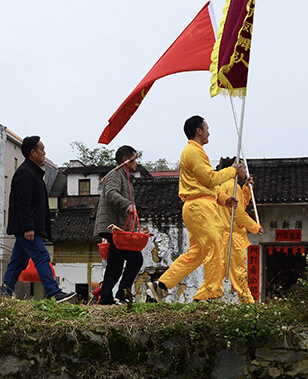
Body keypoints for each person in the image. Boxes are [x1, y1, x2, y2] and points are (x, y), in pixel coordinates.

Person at [151, 117, 244, 303]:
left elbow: (206, 183)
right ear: (199, 131)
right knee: (215, 245)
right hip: (200, 207)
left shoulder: (197, 152)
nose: (209, 131)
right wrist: (232, 170)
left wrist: (224, 199)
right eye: (207, 128)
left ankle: (161, 286)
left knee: (198, 253)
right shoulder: (193, 151)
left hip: (200, 205)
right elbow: (209, 179)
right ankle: (210, 292)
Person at [1, 136, 76, 302]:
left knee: (17, 264)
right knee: (42, 257)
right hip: (27, 228)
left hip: (27, 227)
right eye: (41, 149)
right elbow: (23, 203)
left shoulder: (31, 172)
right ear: (32, 152)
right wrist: (28, 226)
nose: (44, 152)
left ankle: (3, 296)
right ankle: (53, 292)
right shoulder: (25, 174)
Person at [94, 146, 144, 305]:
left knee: (115, 263)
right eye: (134, 159)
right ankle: (121, 294)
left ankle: (106, 297)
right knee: (135, 258)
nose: (136, 162)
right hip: (113, 226)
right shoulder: (116, 174)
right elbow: (111, 193)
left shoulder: (124, 176)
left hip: (117, 226)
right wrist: (127, 204)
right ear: (126, 160)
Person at [217, 164, 262, 303]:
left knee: (217, 271)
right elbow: (237, 213)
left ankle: (204, 298)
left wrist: (247, 189)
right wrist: (254, 226)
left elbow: (240, 205)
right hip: (232, 235)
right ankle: (248, 302)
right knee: (238, 273)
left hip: (224, 234)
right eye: (242, 166)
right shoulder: (231, 186)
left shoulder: (228, 185)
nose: (245, 170)